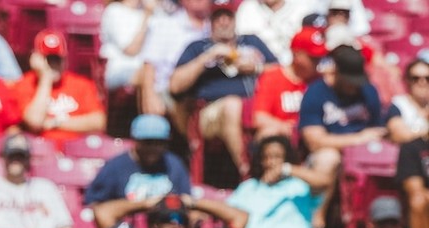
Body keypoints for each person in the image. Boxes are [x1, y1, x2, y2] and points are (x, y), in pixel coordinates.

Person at [169, 0, 274, 179]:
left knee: (271, 121)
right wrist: (207, 58)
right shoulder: (198, 47)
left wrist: (255, 68)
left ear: (235, 19)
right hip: (210, 111)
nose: (224, 22)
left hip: (254, 107)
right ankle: (246, 171)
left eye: (228, 17)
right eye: (218, 18)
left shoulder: (251, 42)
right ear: (211, 21)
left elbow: (281, 71)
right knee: (232, 105)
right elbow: (175, 86)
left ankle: (275, 174)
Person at [298, 45, 390, 228]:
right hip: (327, 156)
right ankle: (317, 224)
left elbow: (377, 130)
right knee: (328, 159)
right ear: (336, 71)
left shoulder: (368, 91)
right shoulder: (316, 93)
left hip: (362, 157)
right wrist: (357, 139)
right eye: (349, 80)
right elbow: (314, 141)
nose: (353, 85)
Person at [85, 114, 192, 228]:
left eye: (159, 142)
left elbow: (187, 202)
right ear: (135, 140)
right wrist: (143, 204)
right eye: (148, 142)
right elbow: (96, 206)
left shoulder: (174, 165)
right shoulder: (115, 166)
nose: (153, 148)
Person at [228, 135, 329, 228]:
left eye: (277, 157)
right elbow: (231, 215)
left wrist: (286, 169)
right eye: (266, 157)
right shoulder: (248, 187)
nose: (271, 162)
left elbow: (324, 182)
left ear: (286, 159)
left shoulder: (299, 185)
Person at [14, 30, 107, 149]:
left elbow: (99, 122)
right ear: (37, 60)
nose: (53, 64)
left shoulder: (81, 84)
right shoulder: (26, 83)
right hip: (41, 151)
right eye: (48, 59)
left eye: (57, 59)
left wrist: (55, 123)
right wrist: (45, 79)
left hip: (76, 150)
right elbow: (35, 122)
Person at [251, 27, 327, 140]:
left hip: (315, 137)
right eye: (312, 58)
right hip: (284, 139)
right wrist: (283, 127)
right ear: (296, 54)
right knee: (268, 133)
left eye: (319, 58)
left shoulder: (321, 79)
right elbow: (260, 118)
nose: (317, 62)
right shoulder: (273, 77)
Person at [100, 0, 158, 93]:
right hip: (117, 70)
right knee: (148, 76)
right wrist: (147, 15)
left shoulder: (147, 12)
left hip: (145, 68)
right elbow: (131, 50)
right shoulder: (114, 11)